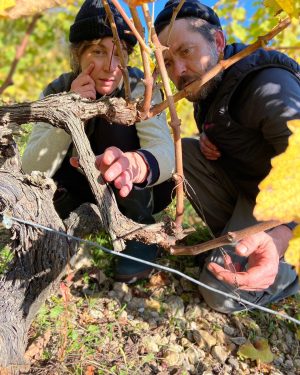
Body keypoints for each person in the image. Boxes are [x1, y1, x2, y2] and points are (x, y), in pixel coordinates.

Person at [155, 0, 300, 313]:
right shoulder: (211, 84)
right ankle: (240, 242)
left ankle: (289, 270)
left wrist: (281, 236)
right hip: (255, 194)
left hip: (288, 211)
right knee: (182, 152)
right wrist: (212, 138)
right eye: (166, 61)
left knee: (220, 291)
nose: (177, 70)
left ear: (218, 43)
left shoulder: (266, 87)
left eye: (185, 51)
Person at [22, 0, 175, 283]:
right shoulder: (58, 89)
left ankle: (136, 228)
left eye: (120, 54)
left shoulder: (141, 88)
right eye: (98, 51)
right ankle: (69, 222)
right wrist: (67, 113)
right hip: (76, 187)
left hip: (130, 189)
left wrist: (134, 164)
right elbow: (32, 167)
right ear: (77, 54)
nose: (111, 66)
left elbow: (165, 152)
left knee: (115, 123)